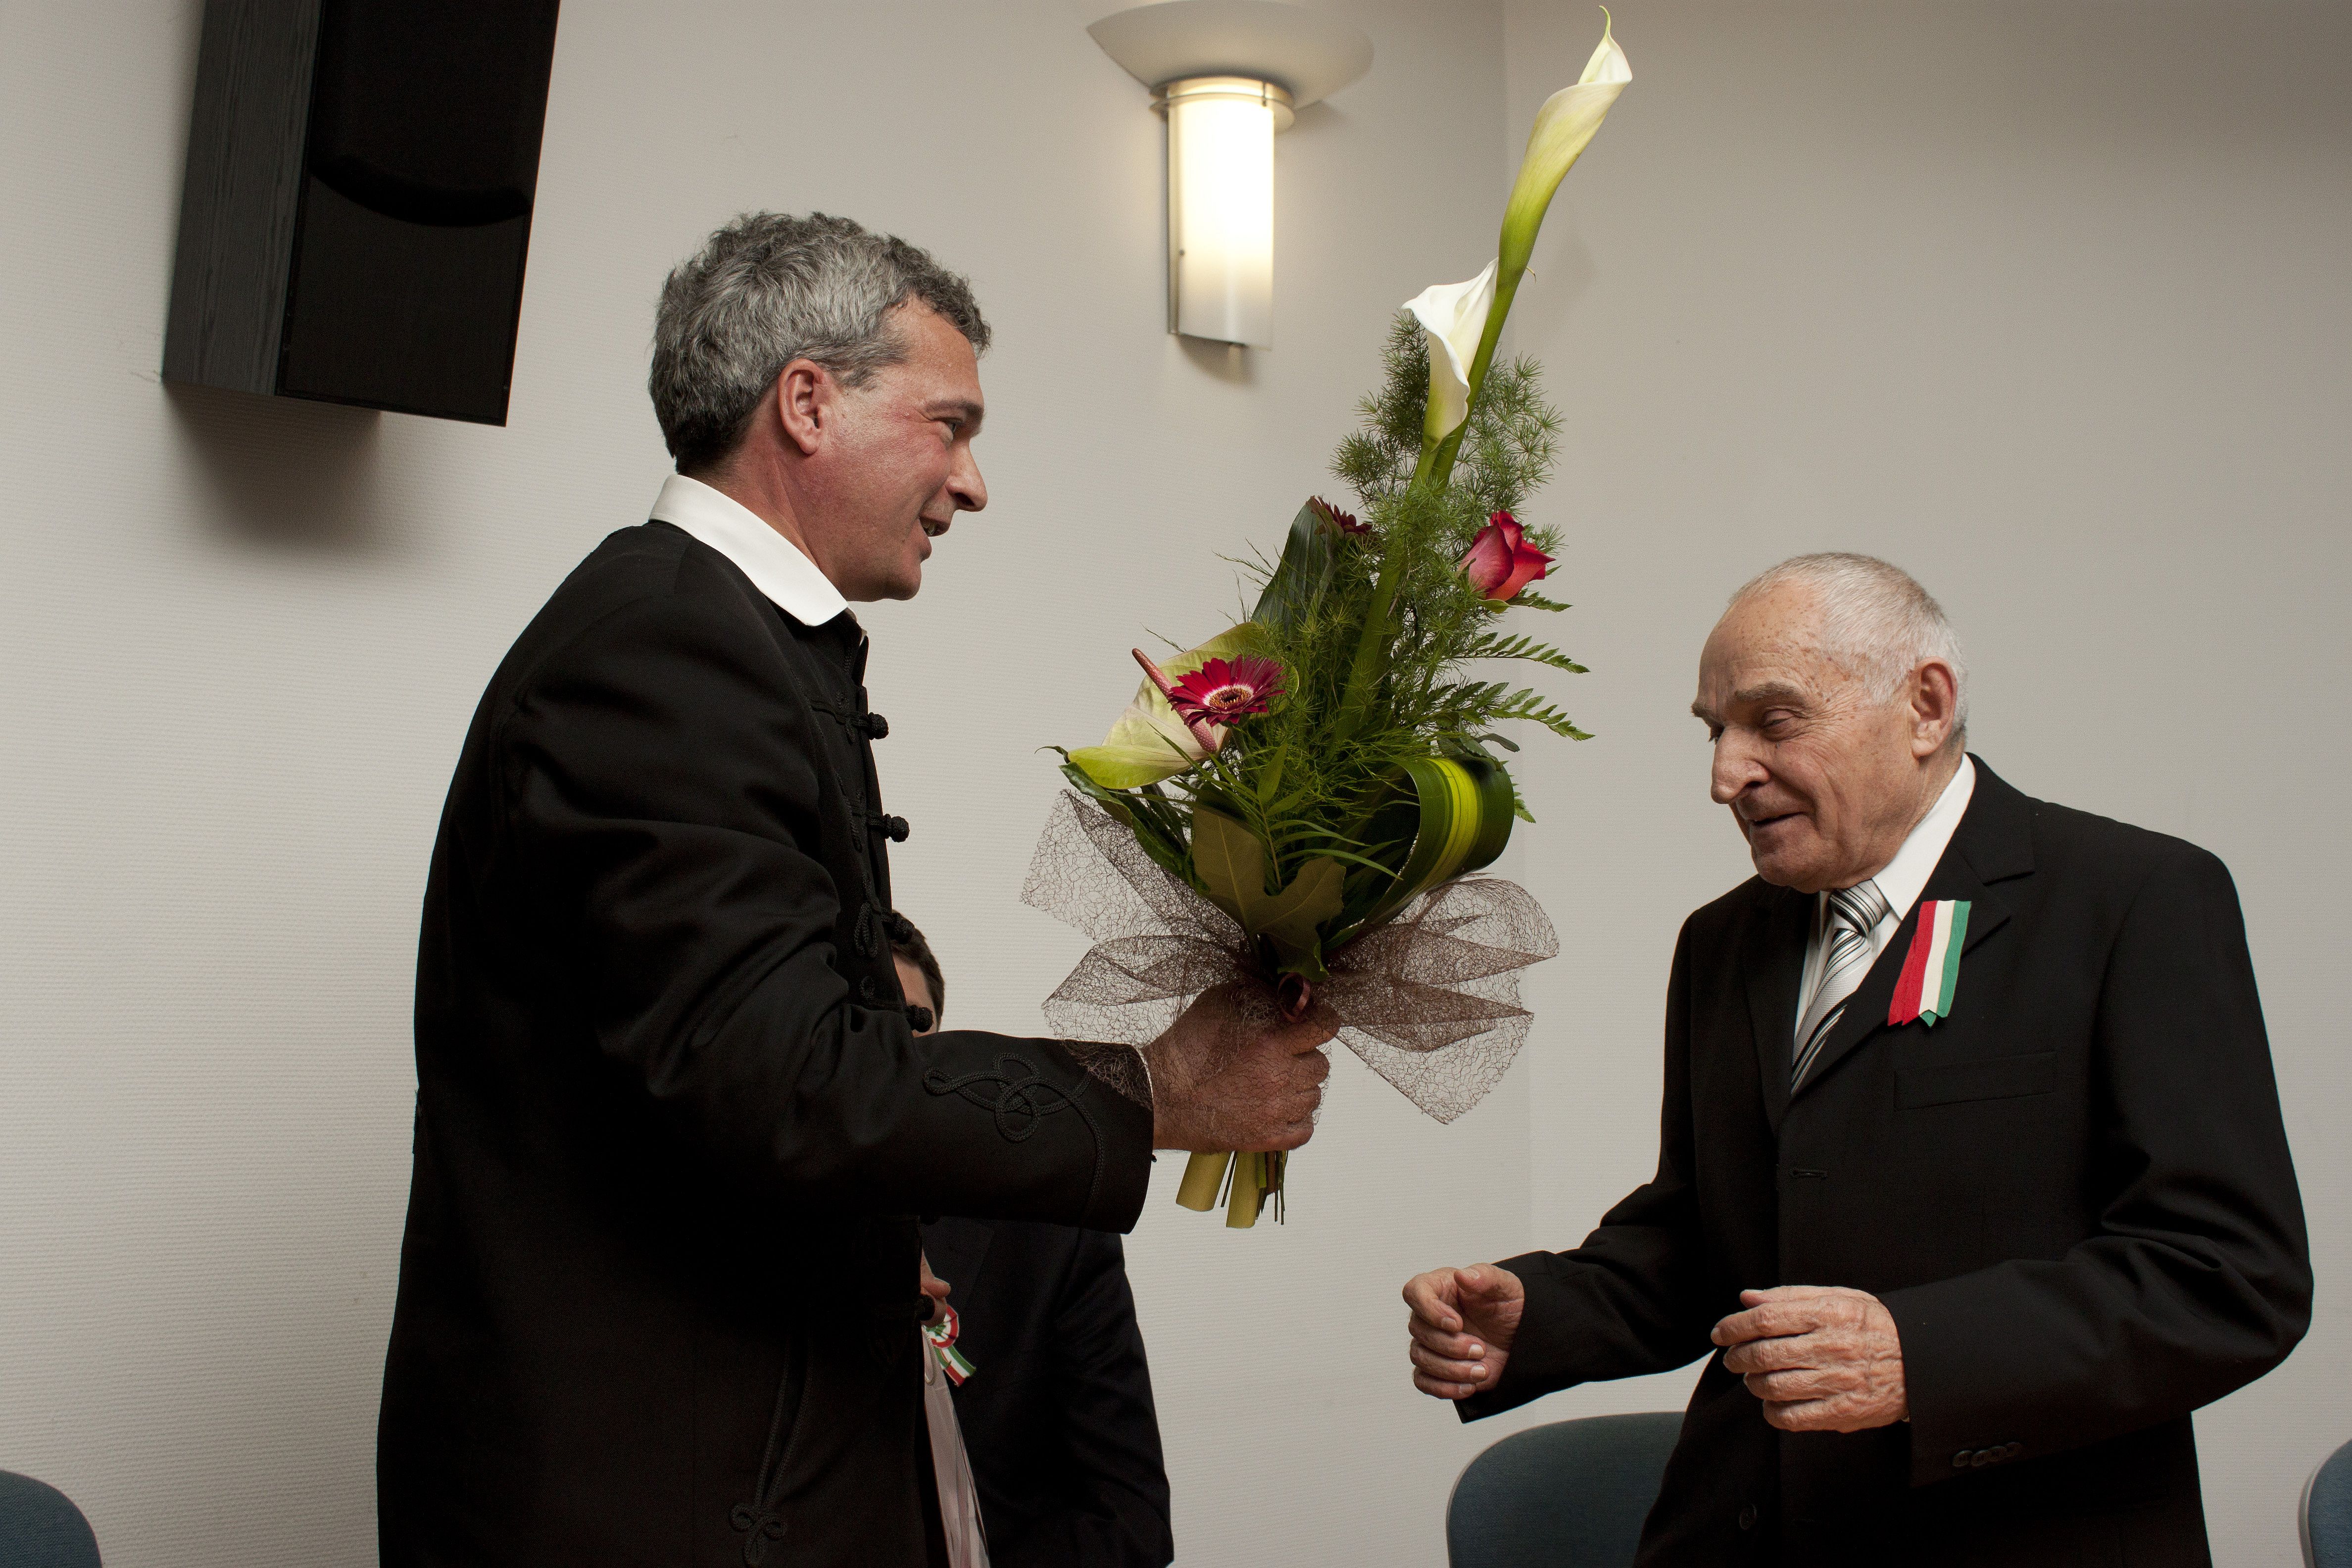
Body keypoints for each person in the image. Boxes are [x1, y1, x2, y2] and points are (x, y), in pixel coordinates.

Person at [377, 212, 1333, 1568]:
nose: (972, 484)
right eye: (950, 426)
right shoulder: (664, 645)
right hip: (648, 1510)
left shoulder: (707, 632)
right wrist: (1156, 1089)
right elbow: (784, 1081)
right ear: (808, 403)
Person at [1403, 554, 2309, 1566]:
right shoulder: (1723, 942)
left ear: (1926, 706)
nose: (1726, 776)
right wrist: (1539, 1316)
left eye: (1774, 721)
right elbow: (1713, 1239)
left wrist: (1917, 1356)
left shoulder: (2134, 901)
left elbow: (2228, 1278)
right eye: (1715, 731)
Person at [890, 918, 1176, 1568]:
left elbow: (1131, 1522)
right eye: (863, 1030)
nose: (891, 1056)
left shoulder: (1049, 1235)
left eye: (913, 1028)